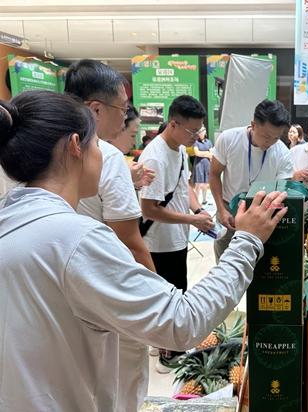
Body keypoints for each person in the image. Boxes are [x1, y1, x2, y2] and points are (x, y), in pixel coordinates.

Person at [0, 90, 287, 412]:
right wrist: (247, 239)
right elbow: (182, 322)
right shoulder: (75, 239)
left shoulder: (12, 218)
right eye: (98, 145)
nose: (105, 155)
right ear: (75, 146)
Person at [65, 59, 155, 411]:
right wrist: (158, 306)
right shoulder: (107, 156)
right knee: (119, 389)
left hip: (56, 297)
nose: (125, 117)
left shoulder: (35, 150)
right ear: (96, 109)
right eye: (123, 108)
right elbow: (131, 244)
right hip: (109, 294)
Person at [139, 96, 216, 371]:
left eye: (199, 130)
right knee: (170, 299)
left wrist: (198, 211)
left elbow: (186, 188)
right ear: (173, 124)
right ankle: (168, 356)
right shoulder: (155, 156)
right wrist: (192, 220)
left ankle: (157, 344)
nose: (197, 136)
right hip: (158, 243)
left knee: (171, 294)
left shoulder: (181, 149)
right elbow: (149, 209)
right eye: (192, 131)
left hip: (177, 238)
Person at [210, 99, 293, 263]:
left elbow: (283, 191)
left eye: (276, 137)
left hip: (261, 214)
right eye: (266, 136)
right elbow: (214, 174)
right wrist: (221, 209)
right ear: (253, 125)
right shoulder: (229, 139)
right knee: (225, 262)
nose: (270, 142)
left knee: (258, 266)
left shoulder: (283, 153)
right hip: (229, 211)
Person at [109, 104, 155, 190]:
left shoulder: (117, 159)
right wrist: (127, 176)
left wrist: (134, 183)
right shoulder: (102, 159)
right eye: (133, 135)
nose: (134, 143)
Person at [192, 128, 213, 205]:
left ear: (205, 132)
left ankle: (204, 200)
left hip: (207, 164)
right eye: (199, 132)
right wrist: (207, 153)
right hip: (199, 164)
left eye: (202, 131)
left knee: (205, 183)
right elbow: (197, 153)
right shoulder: (196, 142)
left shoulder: (208, 142)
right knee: (198, 183)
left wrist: (203, 153)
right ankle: (196, 200)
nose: (200, 133)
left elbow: (212, 154)